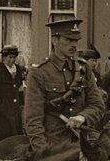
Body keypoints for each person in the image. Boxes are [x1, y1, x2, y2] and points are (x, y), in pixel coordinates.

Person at [22, 18, 105, 152]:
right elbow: (33, 120)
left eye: (76, 41)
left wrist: (82, 117)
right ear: (55, 40)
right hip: (53, 147)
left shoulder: (83, 69)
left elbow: (98, 106)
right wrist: (44, 154)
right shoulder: (39, 72)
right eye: (68, 40)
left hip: (82, 144)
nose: (74, 45)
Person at [0, 44, 26, 142]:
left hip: (15, 107)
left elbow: (20, 88)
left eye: (14, 57)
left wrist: (22, 103)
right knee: (3, 132)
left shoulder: (18, 69)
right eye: (10, 57)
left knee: (16, 131)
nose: (12, 60)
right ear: (4, 57)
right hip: (2, 106)